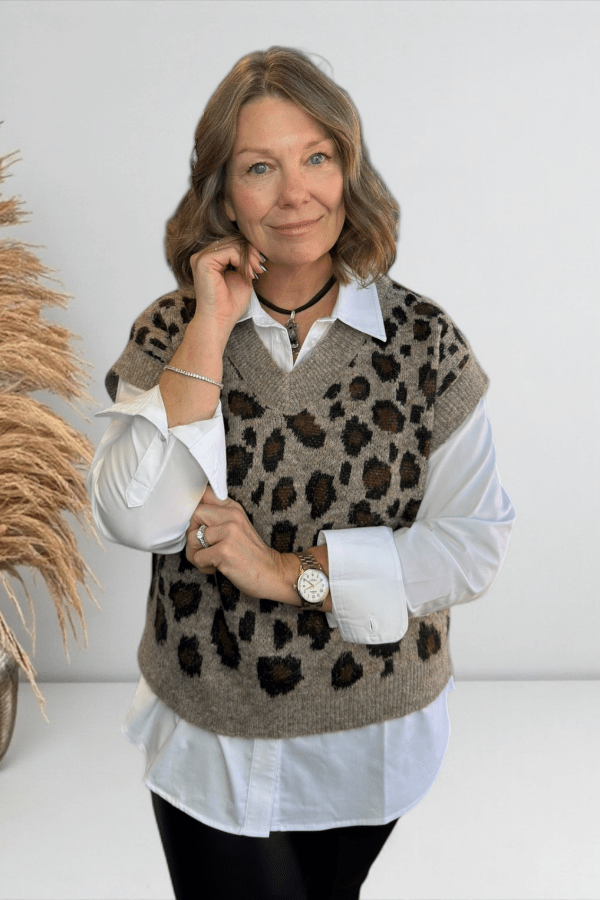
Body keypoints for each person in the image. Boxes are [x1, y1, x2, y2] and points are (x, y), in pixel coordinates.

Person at [88, 46, 515, 900]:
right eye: (260, 167)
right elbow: (135, 516)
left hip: (372, 741)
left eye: (316, 157)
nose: (295, 194)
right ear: (222, 193)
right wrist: (209, 327)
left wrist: (291, 574)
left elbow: (473, 545)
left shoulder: (425, 345)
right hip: (209, 736)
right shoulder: (171, 329)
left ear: (348, 169)